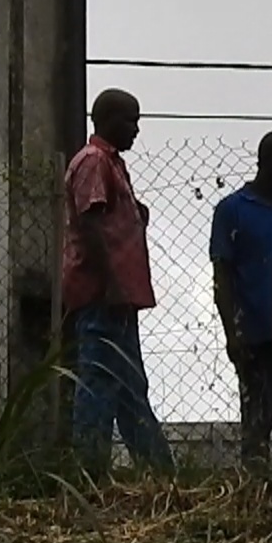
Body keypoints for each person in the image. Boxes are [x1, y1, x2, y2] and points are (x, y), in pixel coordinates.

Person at [61, 88, 174, 475]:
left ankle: (160, 472)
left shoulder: (112, 164)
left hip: (117, 295)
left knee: (128, 385)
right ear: (106, 119)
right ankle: (88, 471)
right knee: (98, 381)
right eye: (131, 120)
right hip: (102, 295)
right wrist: (110, 283)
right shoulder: (94, 161)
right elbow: (92, 221)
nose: (136, 129)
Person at [210, 130, 272, 464]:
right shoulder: (232, 209)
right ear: (266, 162)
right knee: (257, 422)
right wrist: (232, 333)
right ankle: (256, 490)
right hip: (255, 334)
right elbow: (223, 275)